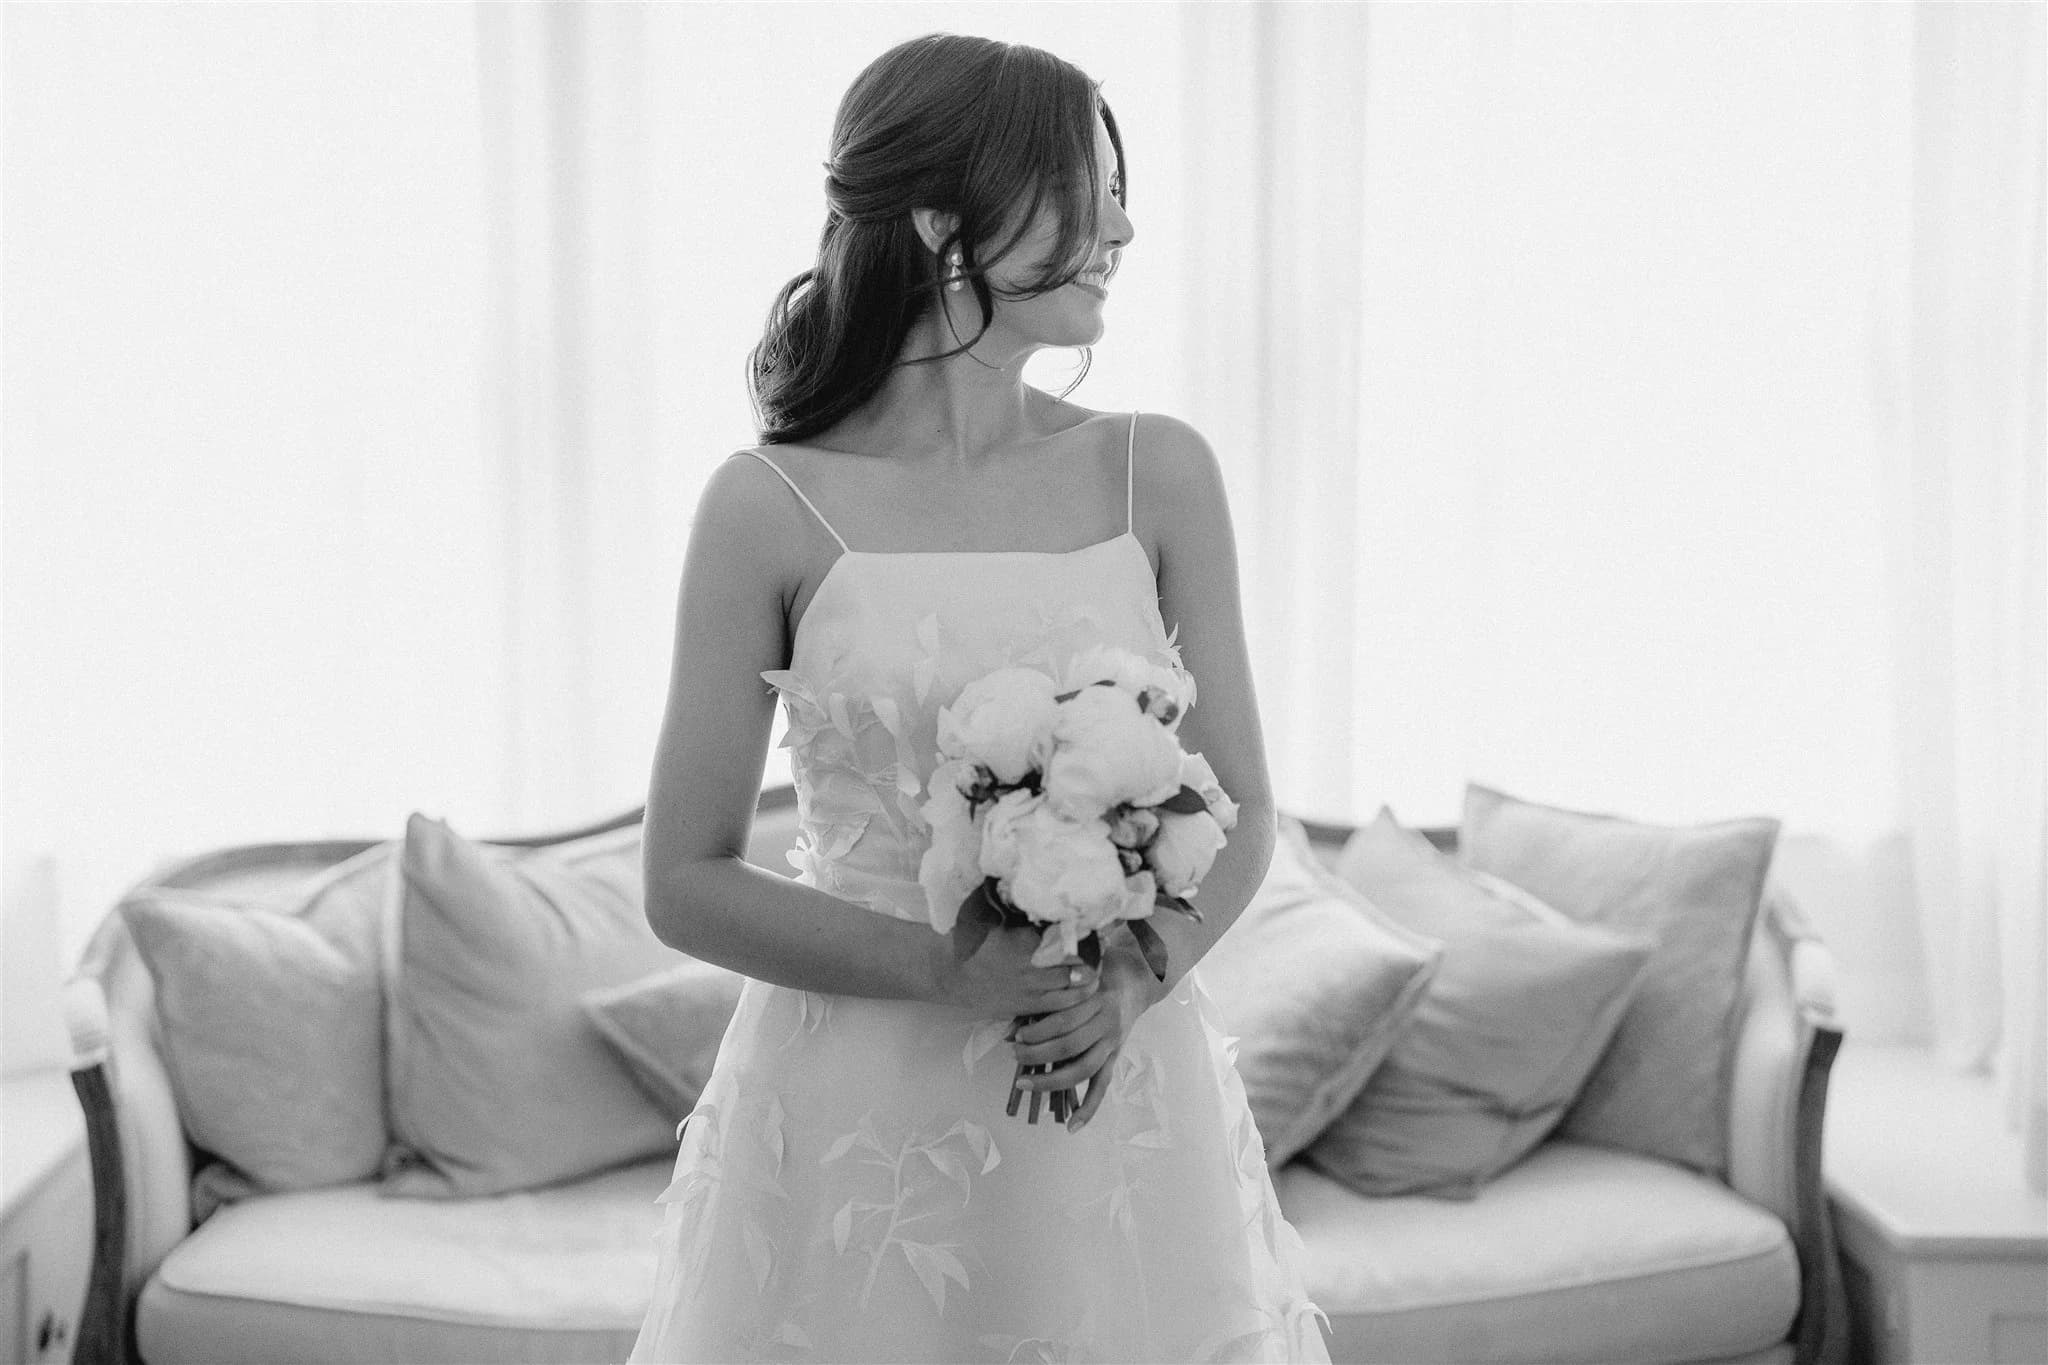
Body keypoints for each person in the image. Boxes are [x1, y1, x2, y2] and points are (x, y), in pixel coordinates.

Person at [628, 32, 1332, 1364]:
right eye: (1083, 188)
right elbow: (684, 877)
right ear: (946, 218)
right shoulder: (764, 507)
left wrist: (1132, 984)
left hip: (1113, 1096)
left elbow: (1241, 813)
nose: (1122, 225)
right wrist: (953, 971)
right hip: (851, 1114)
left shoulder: (1160, 475)